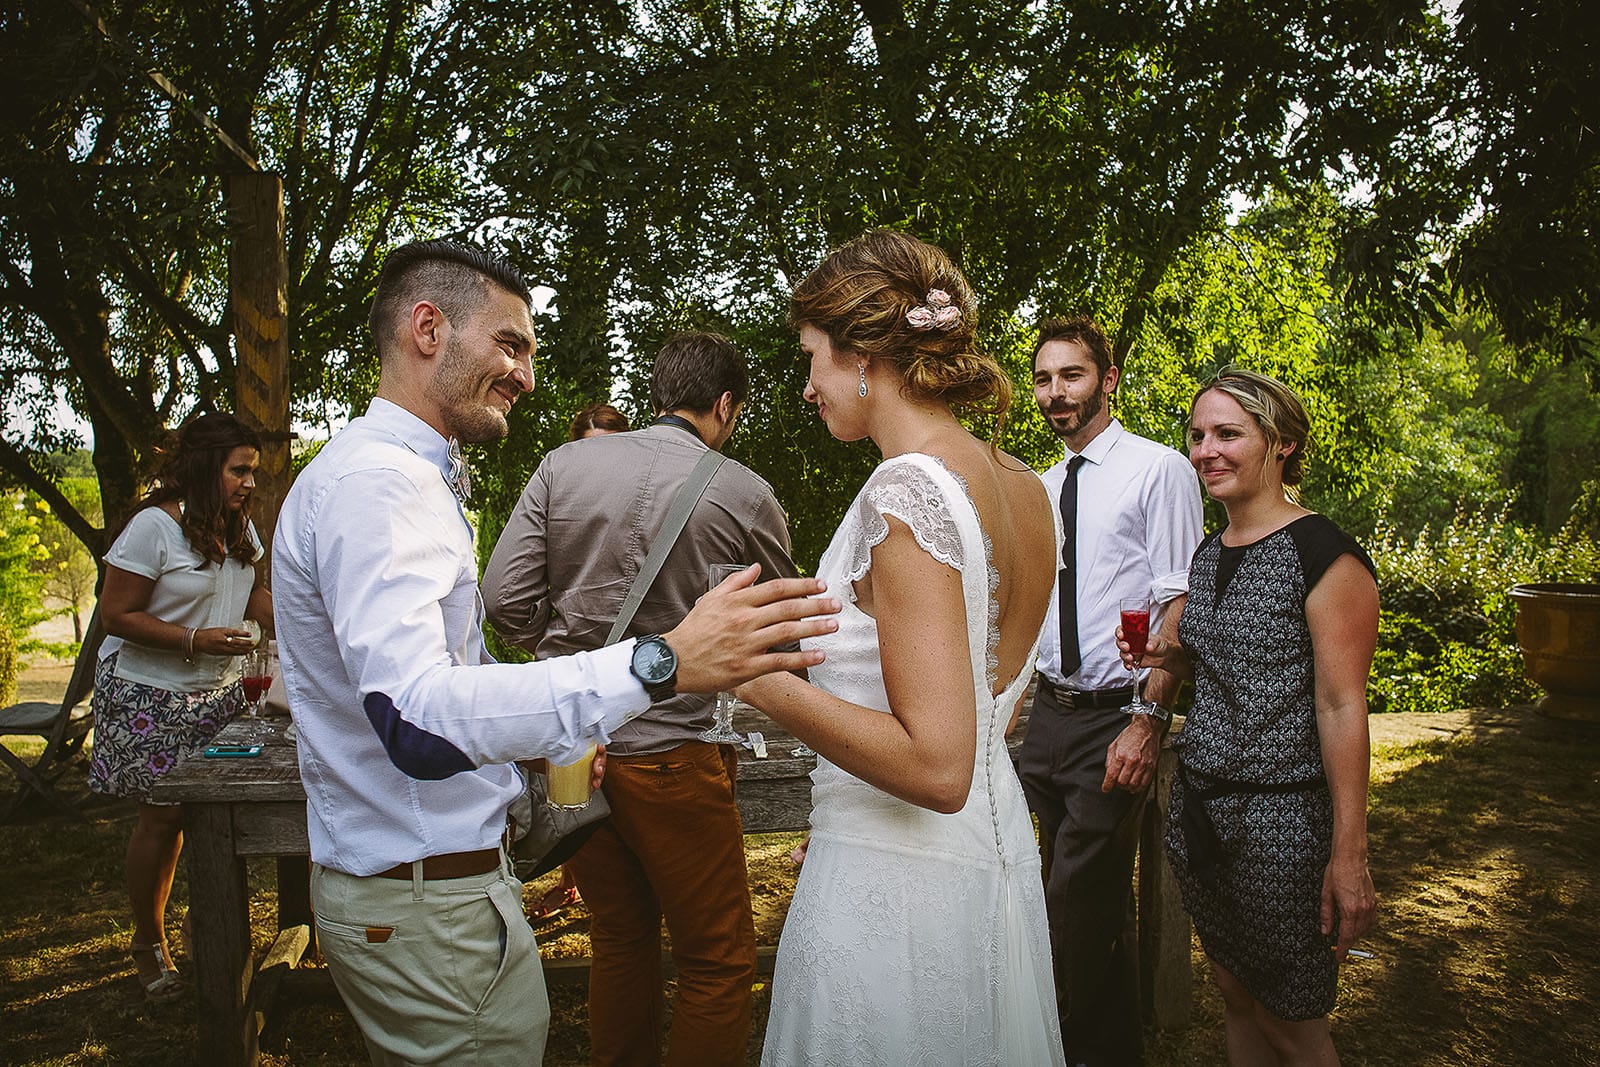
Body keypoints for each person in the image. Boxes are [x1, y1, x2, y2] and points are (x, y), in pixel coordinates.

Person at [272, 239, 839, 1066]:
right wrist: (661, 660)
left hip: (433, 880)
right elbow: (413, 717)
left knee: (620, 939)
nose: (527, 375)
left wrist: (546, 736)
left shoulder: (443, 471)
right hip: (432, 893)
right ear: (428, 327)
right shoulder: (380, 486)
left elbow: (490, 620)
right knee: (716, 956)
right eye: (510, 344)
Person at [733, 230, 1066, 1064]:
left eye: (810, 357)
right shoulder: (1028, 488)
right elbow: (998, 702)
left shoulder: (908, 488)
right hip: (991, 862)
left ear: (860, 356)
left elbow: (937, 765)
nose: (807, 386)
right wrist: (848, 790)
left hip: (902, 888)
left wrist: (763, 683)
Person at [485, 332, 798, 1065]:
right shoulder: (743, 490)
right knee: (716, 960)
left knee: (620, 939)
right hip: (676, 754)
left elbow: (502, 600)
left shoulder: (563, 464)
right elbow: (779, 630)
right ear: (725, 405)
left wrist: (563, 651)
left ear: (658, 393)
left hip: (574, 752)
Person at [1123, 367, 1378, 1064]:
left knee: (1292, 1023)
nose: (1207, 449)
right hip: (1202, 815)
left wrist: (1349, 854)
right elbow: (1216, 667)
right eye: (1199, 434)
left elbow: (1340, 704)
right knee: (1235, 996)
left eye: (1229, 433)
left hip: (1283, 830)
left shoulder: (1326, 557)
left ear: (1282, 443)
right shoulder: (1207, 555)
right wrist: (1165, 657)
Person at [1016, 316, 1203, 1065]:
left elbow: (1180, 599)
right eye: (1043, 378)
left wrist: (1148, 718)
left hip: (1113, 719)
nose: (1057, 392)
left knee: (1067, 911)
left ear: (1108, 379)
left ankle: (1043, 1049)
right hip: (1046, 719)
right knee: (1074, 906)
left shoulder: (1158, 469)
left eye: (1072, 375)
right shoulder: (1041, 486)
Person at [88, 412, 274, 1001]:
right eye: (238, 470)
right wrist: (196, 639)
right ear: (203, 466)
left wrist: (321, 618)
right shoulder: (153, 527)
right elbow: (116, 615)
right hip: (149, 692)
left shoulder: (240, 529)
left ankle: (208, 925)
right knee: (163, 819)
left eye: (252, 472)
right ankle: (148, 941)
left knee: (214, 816)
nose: (249, 482)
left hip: (220, 692)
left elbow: (253, 597)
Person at [529, 400, 634, 923]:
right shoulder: (557, 500)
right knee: (576, 808)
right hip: (576, 685)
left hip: (640, 695)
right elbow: (516, 594)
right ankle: (574, 880)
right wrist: (551, 643)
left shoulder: (644, 505)